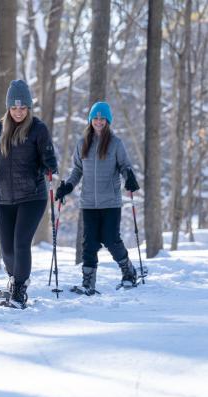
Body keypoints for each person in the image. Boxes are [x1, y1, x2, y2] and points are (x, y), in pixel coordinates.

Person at [0, 79, 58, 309]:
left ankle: (20, 290)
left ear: (28, 108)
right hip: (5, 199)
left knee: (21, 243)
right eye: (14, 108)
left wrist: (48, 165)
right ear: (8, 107)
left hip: (33, 196)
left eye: (22, 108)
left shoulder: (38, 129)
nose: (18, 112)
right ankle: (14, 280)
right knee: (6, 249)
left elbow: (50, 162)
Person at [56, 101, 139, 296]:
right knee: (89, 243)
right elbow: (77, 170)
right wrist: (68, 185)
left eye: (103, 118)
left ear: (108, 121)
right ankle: (88, 283)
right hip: (89, 203)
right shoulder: (82, 143)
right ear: (91, 120)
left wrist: (130, 178)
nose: (99, 121)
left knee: (111, 239)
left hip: (110, 202)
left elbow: (125, 166)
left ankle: (129, 271)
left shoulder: (116, 143)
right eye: (96, 118)